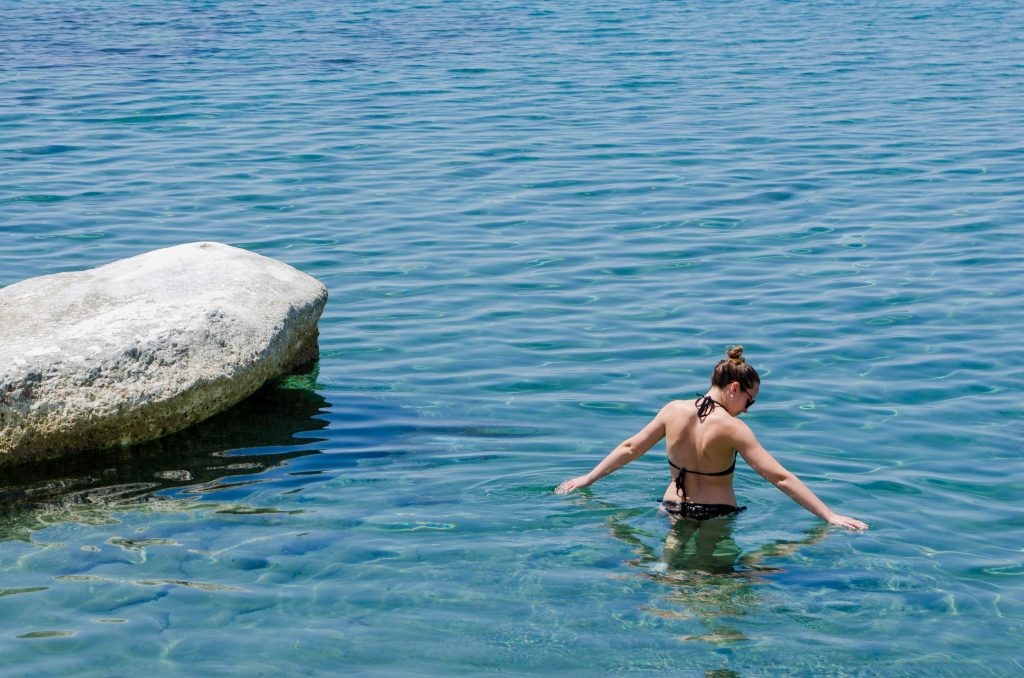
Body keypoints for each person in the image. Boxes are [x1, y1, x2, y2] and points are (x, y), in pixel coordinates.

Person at [555, 346, 868, 530]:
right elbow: (779, 477)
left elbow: (630, 447)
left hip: (670, 509)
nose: (747, 410)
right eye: (750, 401)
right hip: (715, 519)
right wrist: (829, 515)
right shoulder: (733, 429)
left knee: (674, 574)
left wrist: (588, 478)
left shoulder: (672, 410)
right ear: (734, 388)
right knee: (724, 585)